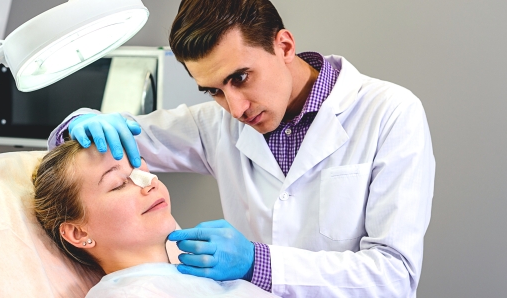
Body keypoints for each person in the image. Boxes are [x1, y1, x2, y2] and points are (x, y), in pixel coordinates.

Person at [48, 0, 435, 296]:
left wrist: (258, 262)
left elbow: (394, 277)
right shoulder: (216, 122)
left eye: (240, 77)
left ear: (284, 45)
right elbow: (99, 153)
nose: (235, 108)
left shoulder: (388, 112)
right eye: (214, 90)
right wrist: (80, 122)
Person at [33, 140, 279, 297]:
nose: (149, 183)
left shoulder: (202, 276)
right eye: (118, 184)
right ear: (79, 233)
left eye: (143, 172)